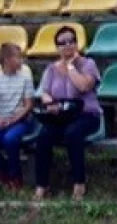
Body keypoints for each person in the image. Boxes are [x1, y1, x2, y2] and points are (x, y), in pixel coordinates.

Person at [33, 26, 102, 202]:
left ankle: (79, 183)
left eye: (71, 41)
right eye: (62, 43)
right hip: (61, 114)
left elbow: (83, 86)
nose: (67, 45)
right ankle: (42, 185)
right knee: (44, 136)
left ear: (77, 44)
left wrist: (71, 67)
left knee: (73, 133)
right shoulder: (51, 69)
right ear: (57, 47)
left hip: (86, 114)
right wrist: (50, 103)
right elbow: (44, 92)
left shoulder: (88, 64)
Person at [0, 43, 34, 191]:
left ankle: (16, 176)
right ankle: (2, 171)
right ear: (7, 60)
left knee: (10, 139)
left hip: (19, 121)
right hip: (0, 121)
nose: (22, 60)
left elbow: (28, 105)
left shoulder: (25, 80)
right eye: (18, 57)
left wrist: (14, 119)